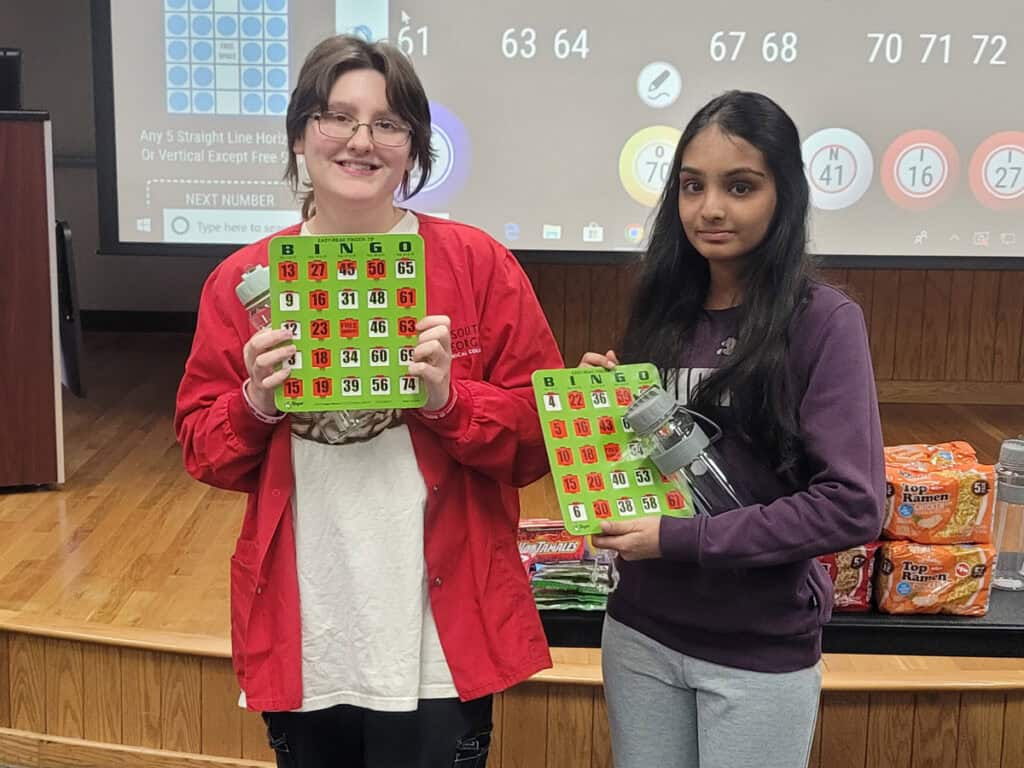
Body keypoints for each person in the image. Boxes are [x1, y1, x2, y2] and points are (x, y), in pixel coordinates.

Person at [175, 34, 562, 768]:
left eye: (388, 123)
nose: (361, 140)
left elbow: (536, 440)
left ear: (413, 148)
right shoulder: (242, 279)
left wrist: (449, 402)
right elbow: (202, 449)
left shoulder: (476, 264)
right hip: (309, 630)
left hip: (440, 637)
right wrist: (256, 404)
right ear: (299, 135)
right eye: (336, 116)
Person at [579, 91, 885, 768]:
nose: (710, 208)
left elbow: (853, 504)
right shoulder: (663, 311)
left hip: (757, 648)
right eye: (693, 186)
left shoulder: (824, 322)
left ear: (785, 195)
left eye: (739, 186)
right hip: (640, 632)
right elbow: (657, 464)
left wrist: (679, 539)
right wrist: (607, 408)